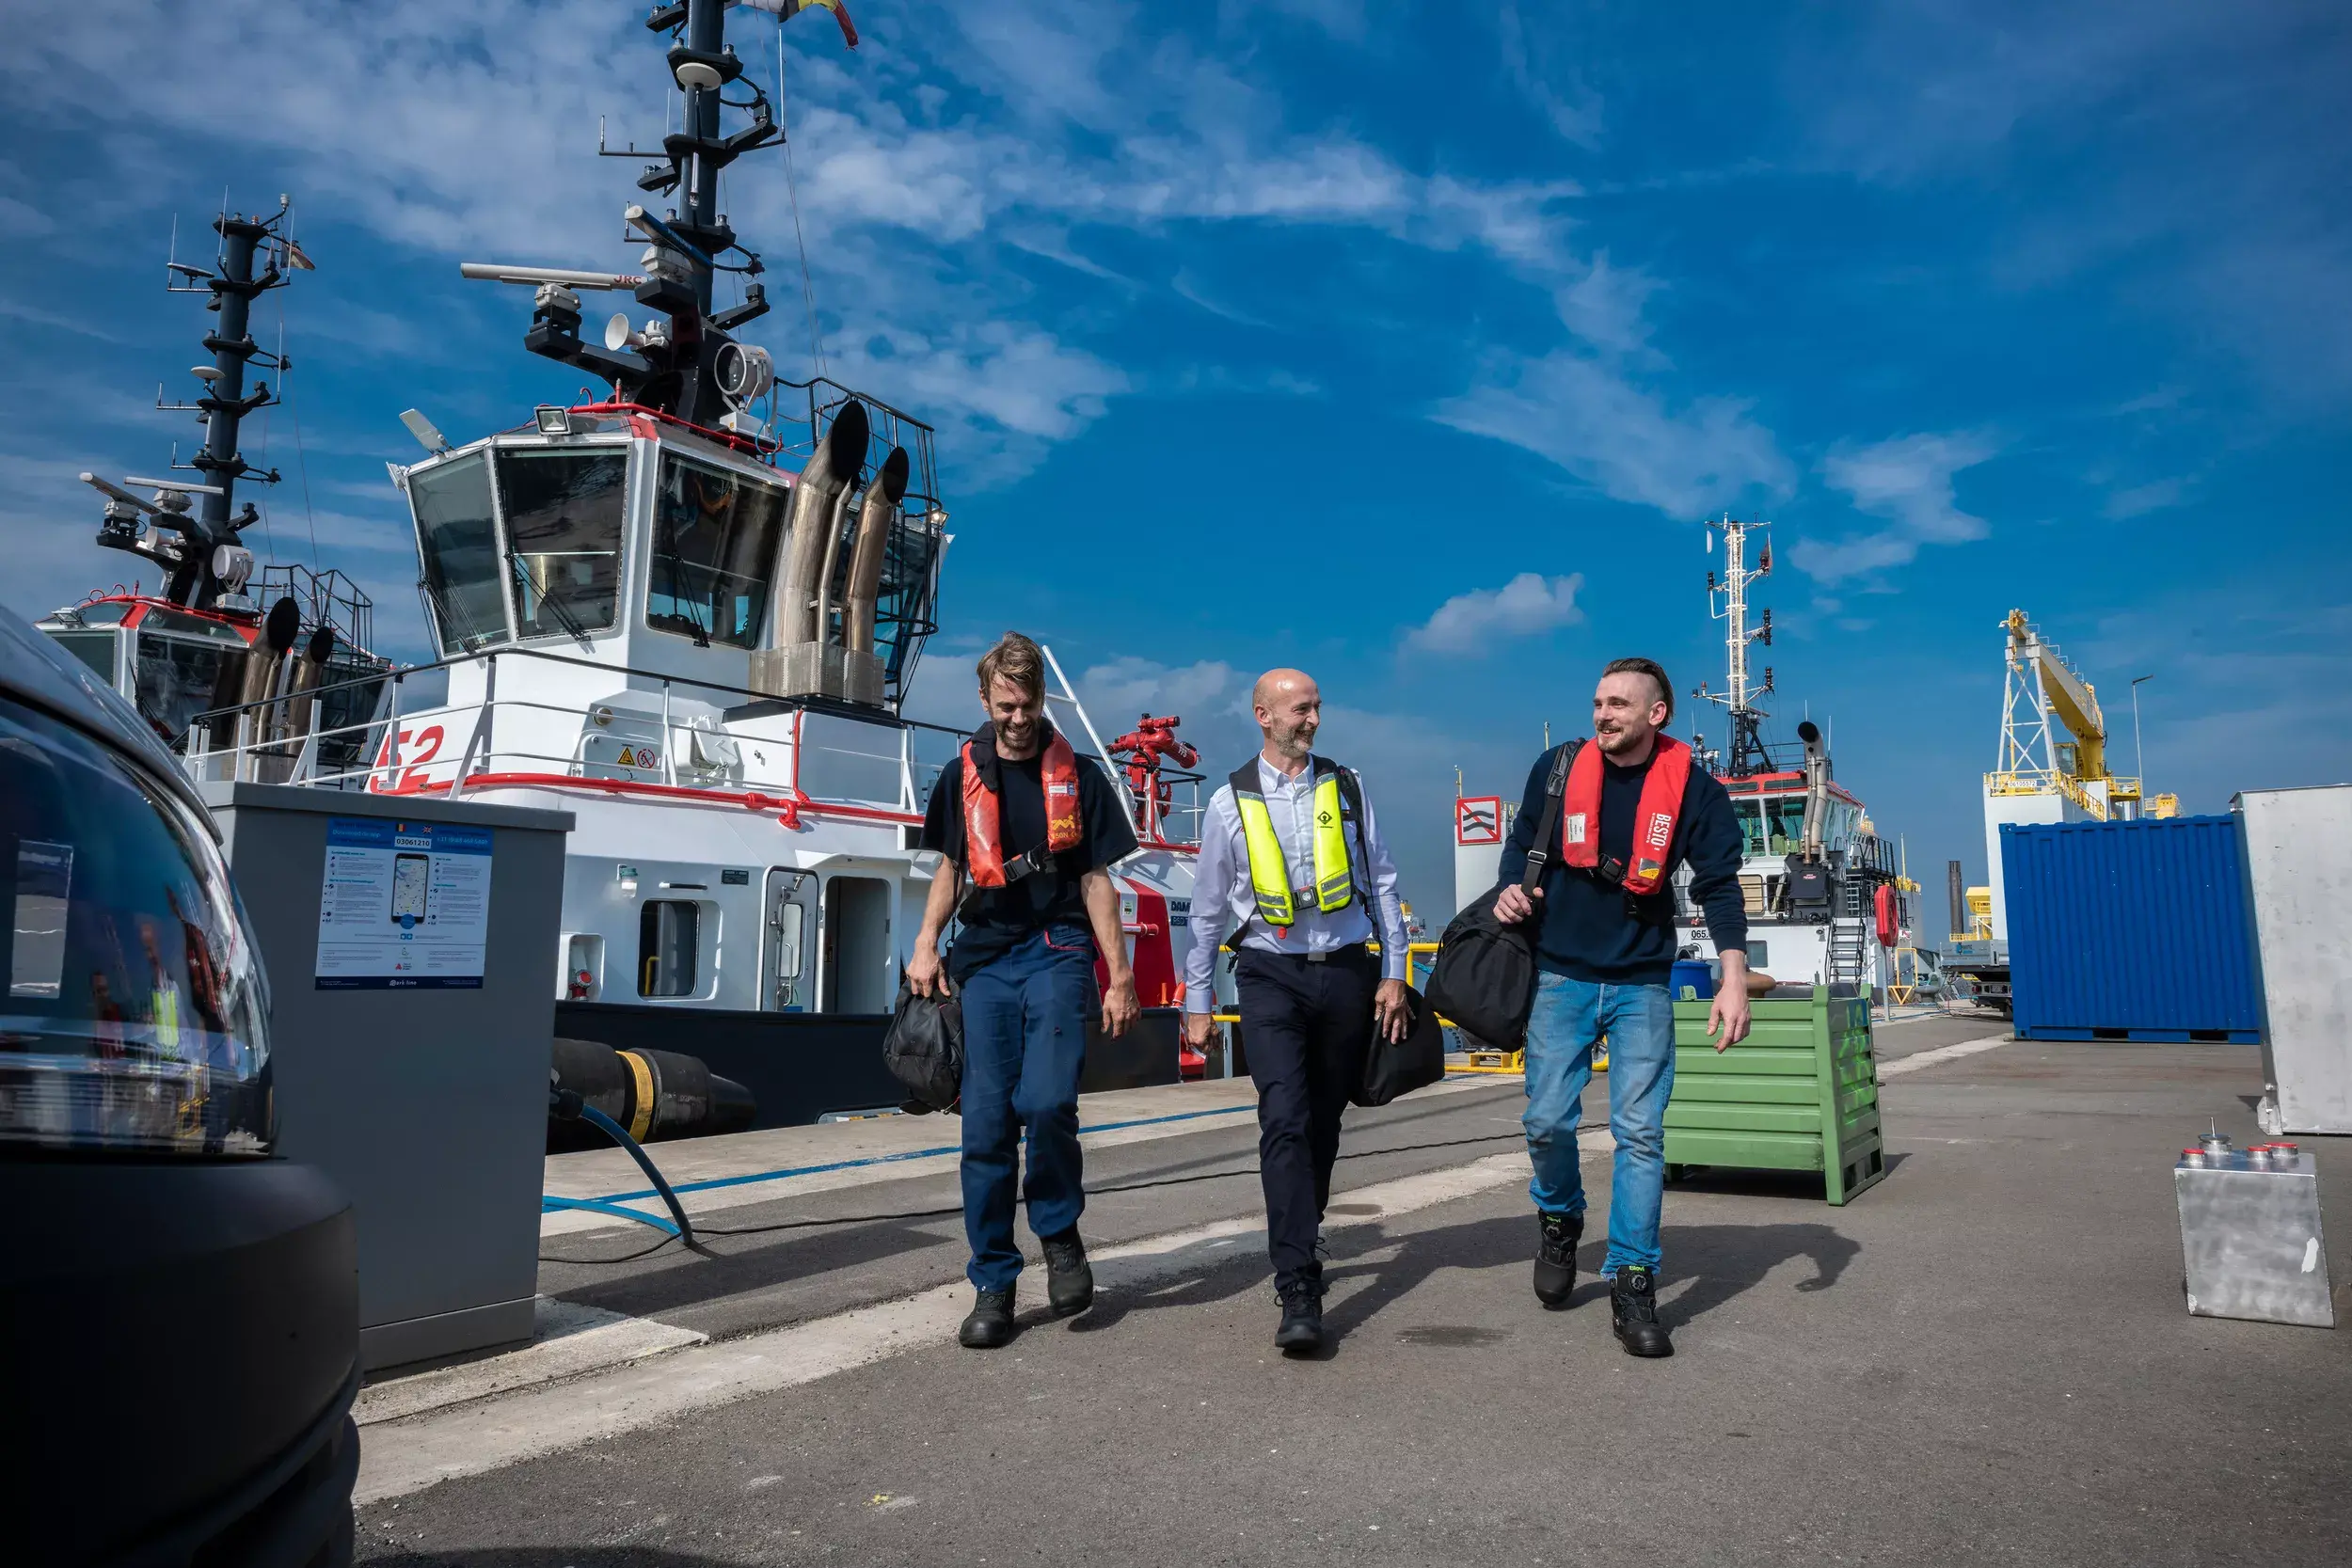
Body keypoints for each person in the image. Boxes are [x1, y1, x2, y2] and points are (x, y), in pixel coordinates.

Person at [1493, 657, 1752, 1358]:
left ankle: (1634, 1278)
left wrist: (1733, 978)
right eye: (1599, 701)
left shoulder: (1695, 791)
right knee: (1547, 1120)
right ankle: (1559, 1217)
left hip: (1642, 982)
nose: (1603, 714)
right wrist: (1508, 890)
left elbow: (1721, 887)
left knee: (1641, 1134)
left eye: (1619, 704)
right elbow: (1519, 847)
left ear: (1656, 714)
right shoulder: (1556, 767)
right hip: (1559, 975)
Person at [908, 632, 1141, 1349]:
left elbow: (1097, 880)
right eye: (1006, 704)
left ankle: (1060, 1232)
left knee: (1046, 1100)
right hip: (985, 960)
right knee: (983, 1126)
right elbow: (953, 864)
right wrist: (924, 942)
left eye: (1029, 703)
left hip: (1059, 949)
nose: (1018, 716)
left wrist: (1120, 975)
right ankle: (994, 1280)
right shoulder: (961, 774)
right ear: (984, 699)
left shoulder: (1084, 777)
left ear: (1042, 698)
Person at [1181, 669, 1411, 1354]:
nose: (1313, 718)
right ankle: (1298, 1283)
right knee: (1282, 1114)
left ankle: (1301, 1231)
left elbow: (1384, 880)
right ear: (1263, 714)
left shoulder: (1348, 786)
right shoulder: (1228, 803)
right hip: (1267, 974)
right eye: (1299, 708)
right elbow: (1207, 911)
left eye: (1316, 706)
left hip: (1344, 970)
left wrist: (1395, 971)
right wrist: (1198, 999)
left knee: (1322, 1124)